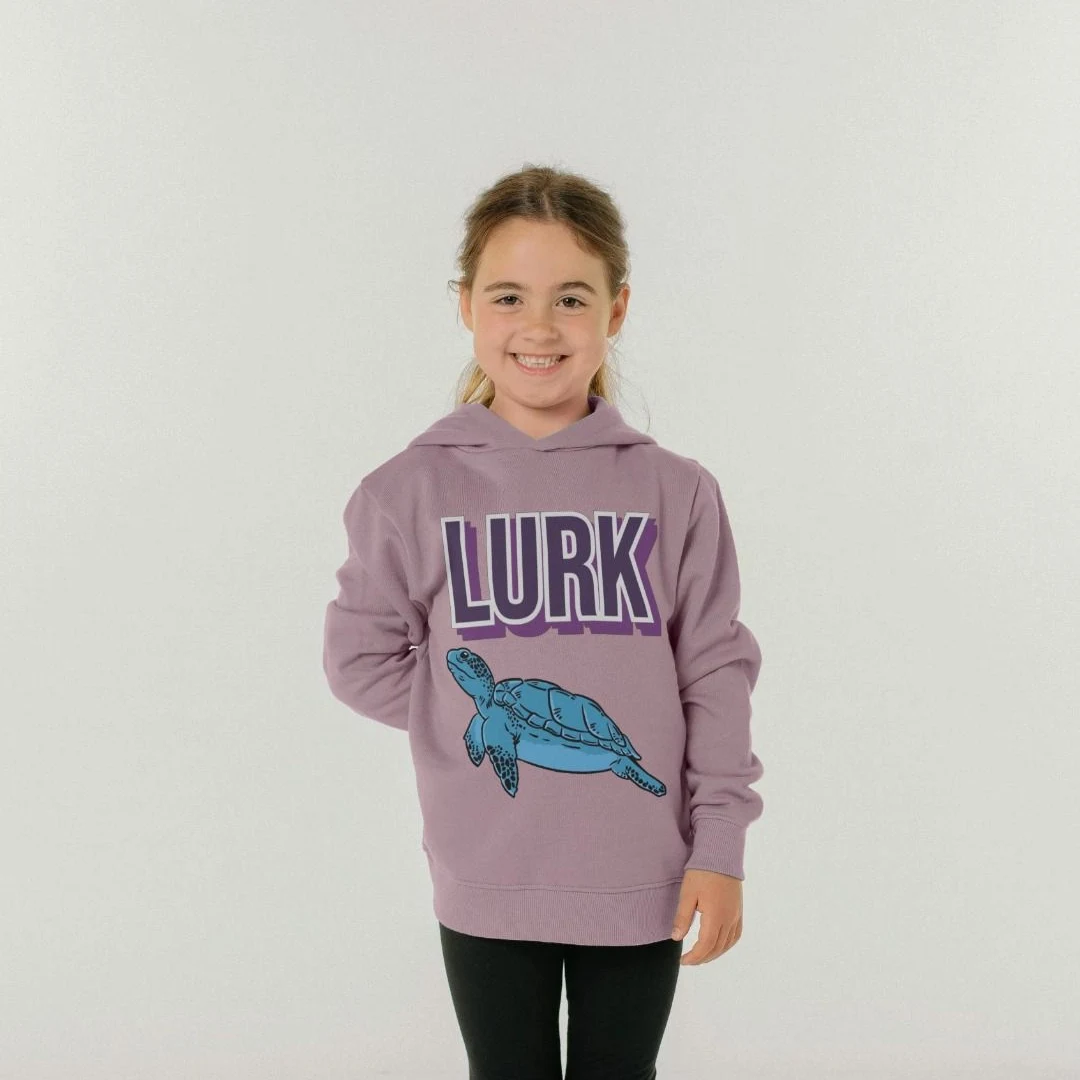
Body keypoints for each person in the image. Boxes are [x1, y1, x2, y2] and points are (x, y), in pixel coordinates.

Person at [322, 165, 765, 1080]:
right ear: (465, 305)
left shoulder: (675, 491)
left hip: (644, 868)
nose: (539, 326)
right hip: (486, 875)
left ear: (617, 308)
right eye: (508, 296)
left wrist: (719, 846)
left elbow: (714, 674)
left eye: (571, 297)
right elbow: (360, 659)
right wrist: (469, 716)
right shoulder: (408, 491)